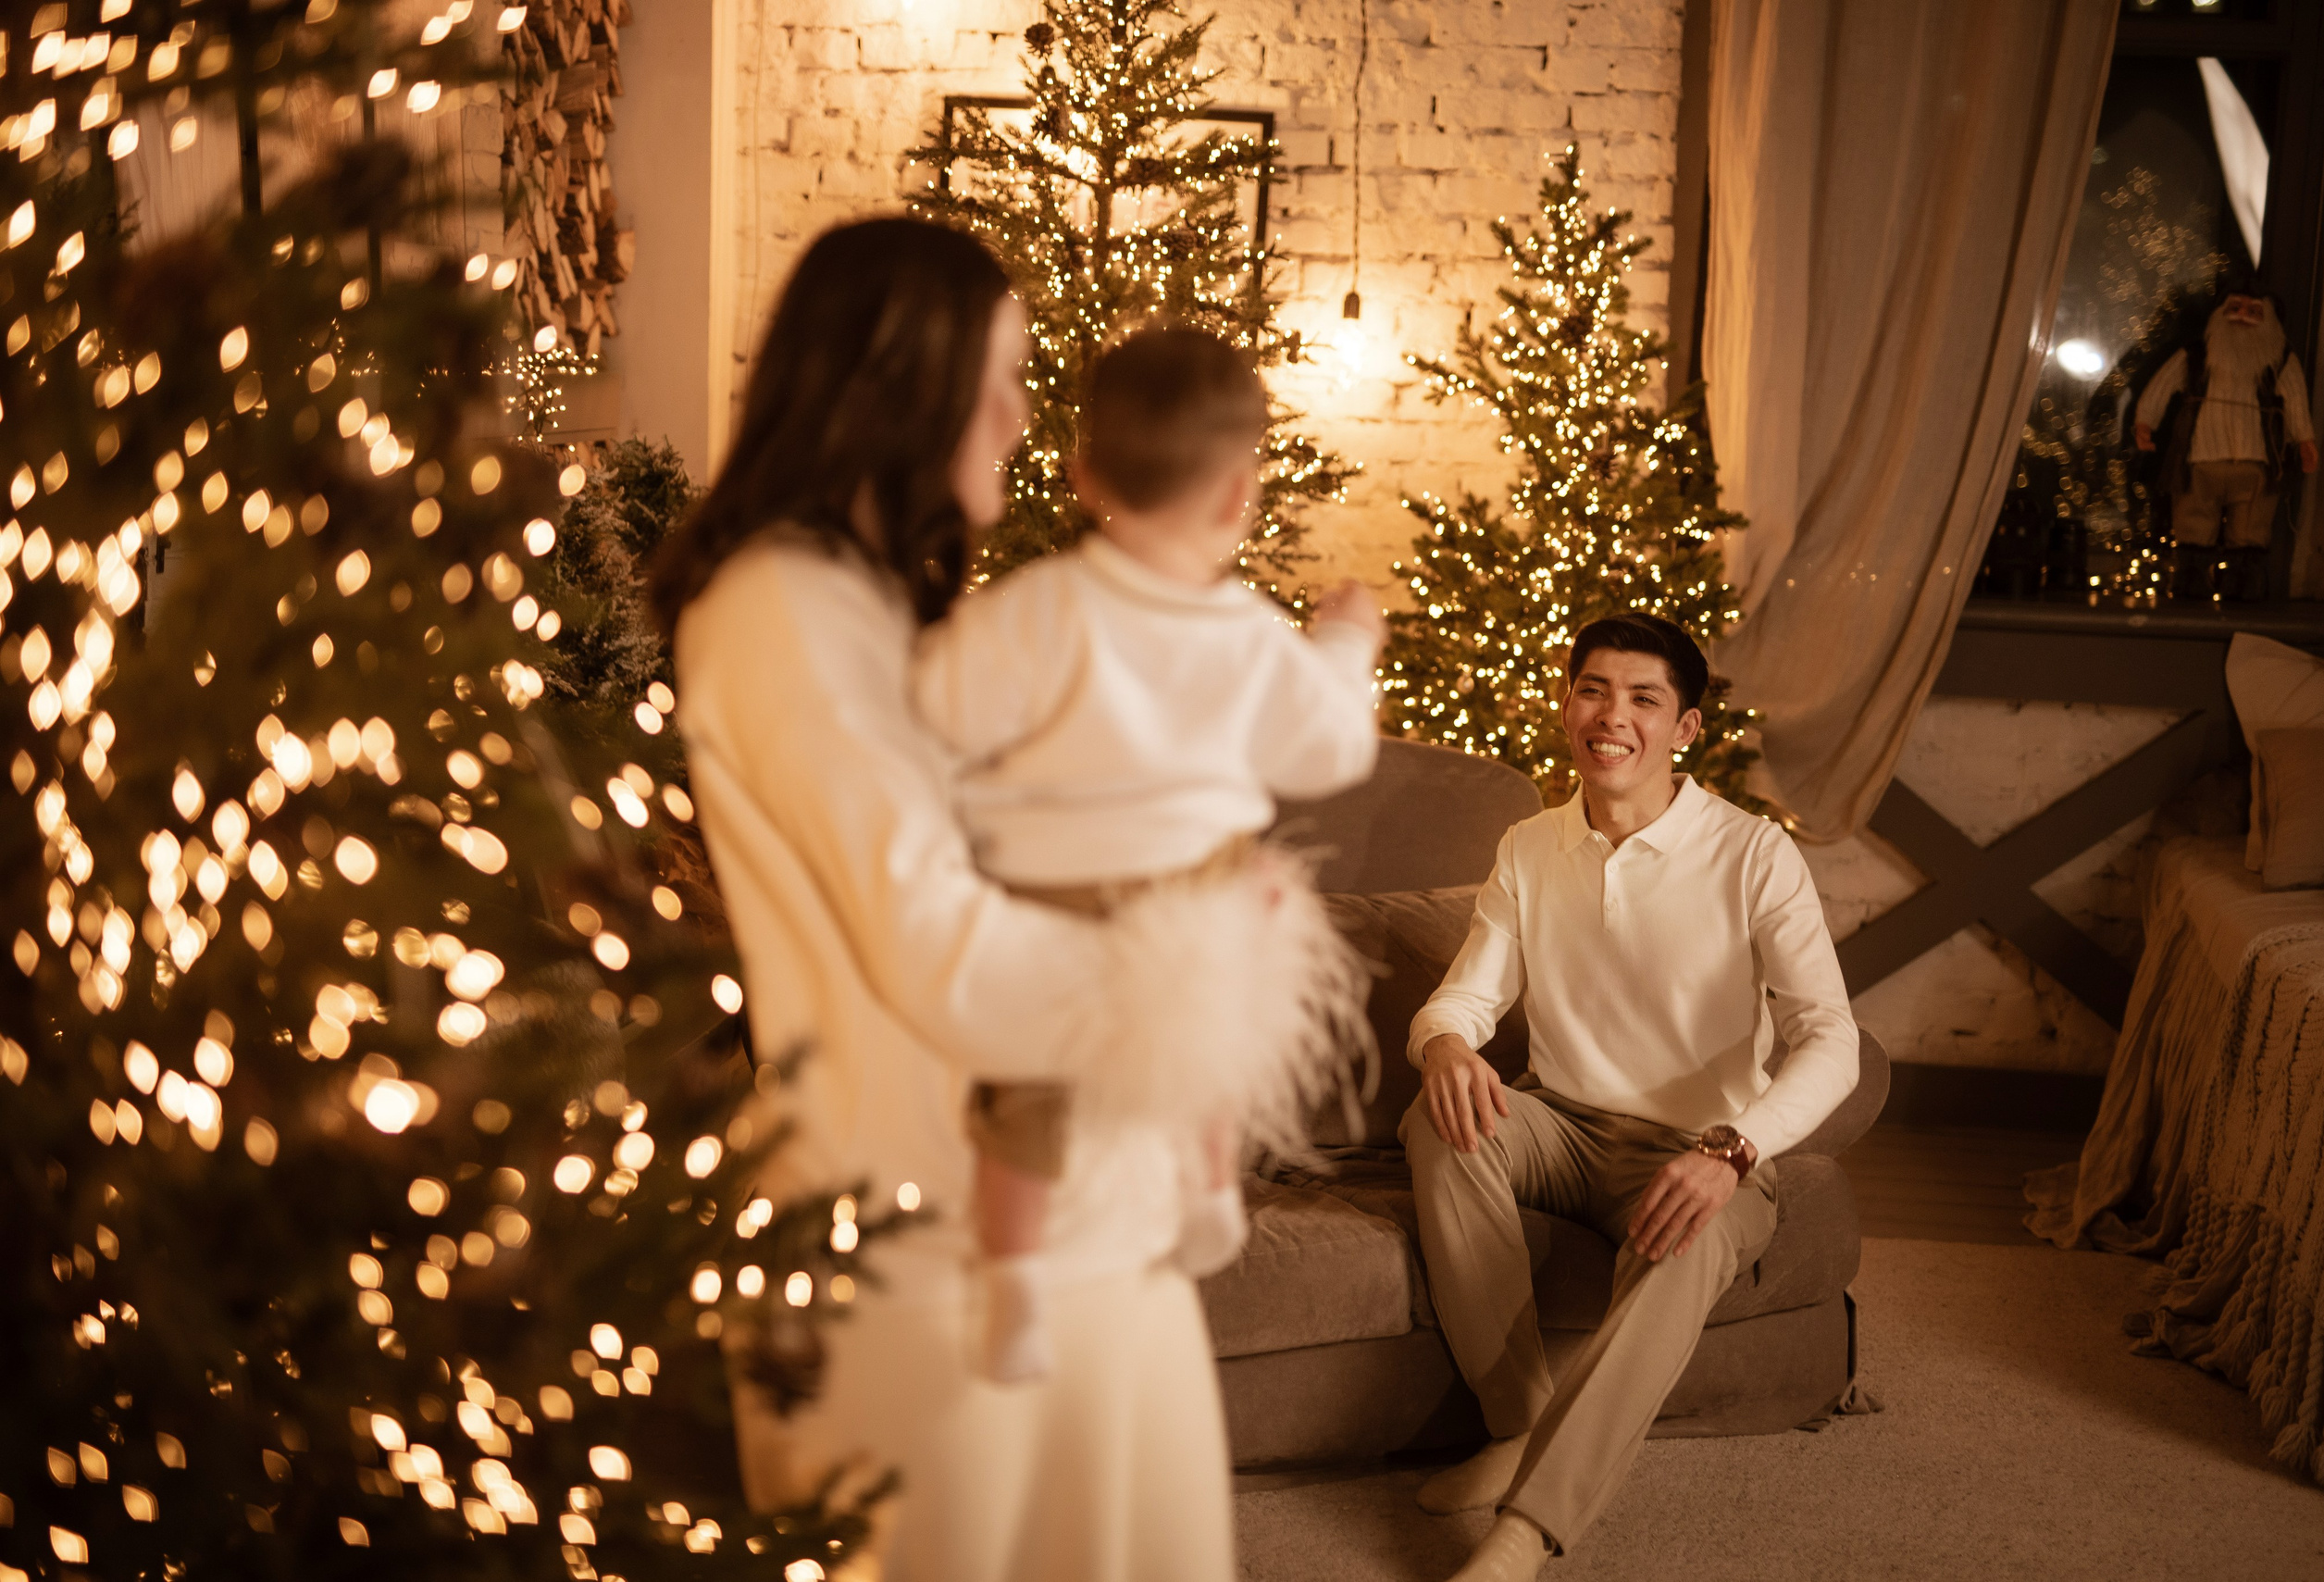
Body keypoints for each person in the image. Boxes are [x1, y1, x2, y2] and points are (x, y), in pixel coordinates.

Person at [652, 218, 1246, 1582]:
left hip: (1044, 1209)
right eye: (1007, 373)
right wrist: (1189, 976)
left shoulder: (875, 603)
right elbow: (934, 933)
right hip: (917, 1240)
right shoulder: (781, 610)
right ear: (900, 383)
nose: (1024, 416)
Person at [909, 325, 1384, 1384]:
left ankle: (1016, 1279)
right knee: (1210, 1026)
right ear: (1237, 497)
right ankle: (1211, 1184)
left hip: (1053, 894)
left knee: (1022, 1088)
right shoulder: (1251, 634)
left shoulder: (1036, 609)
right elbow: (1333, 746)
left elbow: (937, 707)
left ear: (1082, 474)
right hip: (1198, 884)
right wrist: (1348, 642)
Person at [1400, 614, 1858, 1582]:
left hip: (1704, 1145)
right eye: (1591, 689)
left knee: (1687, 1236)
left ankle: (1524, 1532)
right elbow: (1467, 997)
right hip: (1561, 1125)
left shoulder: (1753, 854)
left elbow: (1832, 1037)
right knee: (1437, 1124)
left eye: (1642, 698)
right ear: (1566, 703)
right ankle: (1521, 1422)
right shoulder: (1528, 844)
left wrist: (1734, 1150)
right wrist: (1443, 1044)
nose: (1610, 716)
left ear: (1684, 726)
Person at [2132, 280, 2319, 603]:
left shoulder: (2280, 361)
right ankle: (2191, 586)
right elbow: (2161, 387)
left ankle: (2243, 591)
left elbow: (2296, 401)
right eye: (2234, 309)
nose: (2242, 317)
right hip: (2201, 460)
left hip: (2256, 463)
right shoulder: (2196, 356)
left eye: (2253, 312)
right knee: (2193, 523)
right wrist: (2145, 421)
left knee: (2251, 531)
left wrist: (2304, 439)